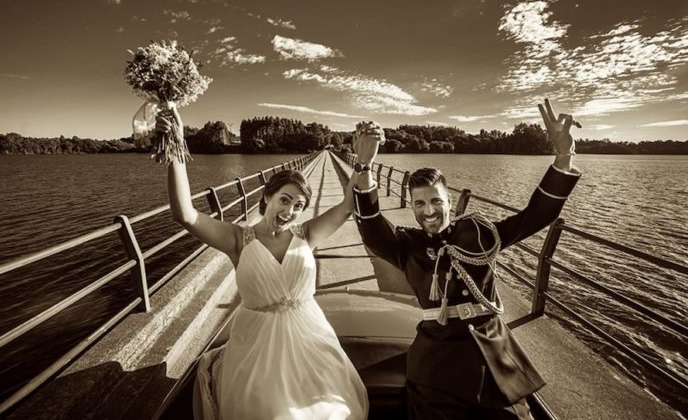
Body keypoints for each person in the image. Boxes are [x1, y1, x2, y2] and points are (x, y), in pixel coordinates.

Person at [351, 99, 581, 419]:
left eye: (435, 201)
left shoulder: (479, 233)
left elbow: (537, 214)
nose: (428, 211)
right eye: (419, 204)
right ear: (412, 206)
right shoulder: (407, 243)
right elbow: (372, 226)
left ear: (449, 201)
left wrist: (564, 156)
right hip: (436, 372)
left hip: (496, 364)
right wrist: (364, 166)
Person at [155, 103, 369, 420]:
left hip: (309, 338)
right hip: (256, 345)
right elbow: (185, 214)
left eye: (299, 205)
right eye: (285, 199)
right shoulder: (238, 240)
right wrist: (175, 144)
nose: (290, 211)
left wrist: (365, 160)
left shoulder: (307, 233)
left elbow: (350, 203)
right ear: (267, 196)